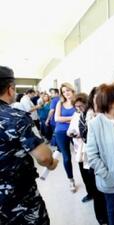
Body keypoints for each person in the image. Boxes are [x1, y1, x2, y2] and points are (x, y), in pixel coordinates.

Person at [0, 65, 58, 224]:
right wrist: (52, 163)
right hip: (19, 199)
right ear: (10, 89)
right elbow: (44, 157)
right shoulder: (15, 117)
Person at [85, 84, 114, 225]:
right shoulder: (95, 124)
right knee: (112, 210)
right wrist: (106, 175)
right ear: (110, 101)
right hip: (111, 177)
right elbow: (92, 156)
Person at [78, 87, 108, 224]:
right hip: (94, 158)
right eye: (97, 97)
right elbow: (85, 137)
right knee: (98, 191)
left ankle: (111, 213)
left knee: (109, 190)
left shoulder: (109, 112)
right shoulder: (86, 115)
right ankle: (101, 217)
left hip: (109, 158)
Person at [54, 82, 76, 192]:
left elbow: (82, 116)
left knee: (81, 155)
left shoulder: (77, 102)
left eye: (67, 90)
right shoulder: (60, 103)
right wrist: (73, 118)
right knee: (67, 158)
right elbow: (57, 119)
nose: (66, 93)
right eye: (63, 92)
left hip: (75, 132)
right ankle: (71, 180)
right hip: (61, 132)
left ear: (72, 90)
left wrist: (66, 118)